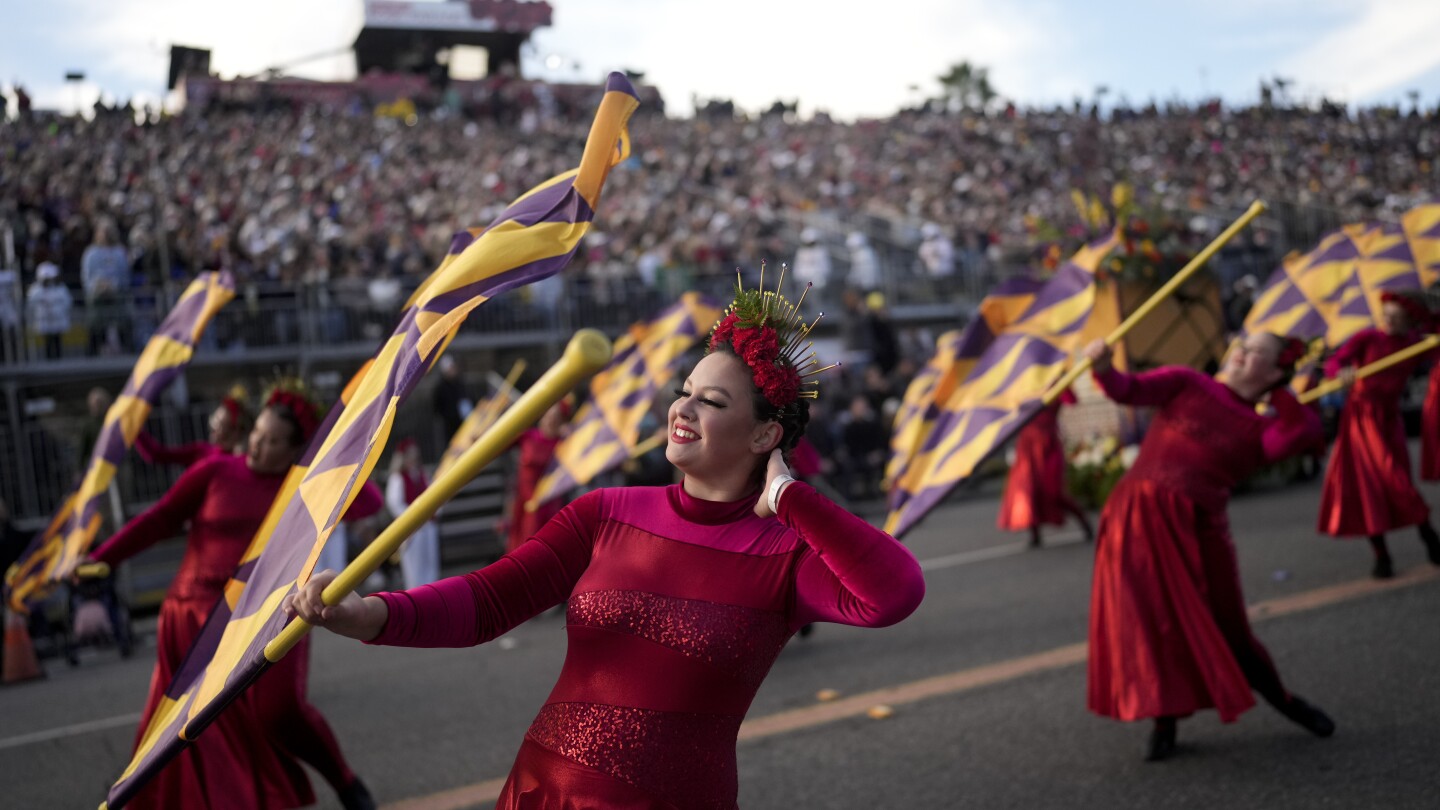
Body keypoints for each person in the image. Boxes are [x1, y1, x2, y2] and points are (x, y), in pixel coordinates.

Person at [287, 280, 925, 808]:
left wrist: (790, 498)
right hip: (544, 789)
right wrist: (365, 613)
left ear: (763, 437)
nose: (684, 407)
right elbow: (487, 602)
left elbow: (894, 594)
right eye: (685, 391)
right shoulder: (605, 512)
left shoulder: (783, 553)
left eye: (712, 401)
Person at [87, 387, 380, 809]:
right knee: (186, 726)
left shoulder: (306, 489)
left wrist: (329, 452)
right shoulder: (215, 470)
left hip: (270, 614)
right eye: (258, 433)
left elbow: (368, 502)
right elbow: (160, 519)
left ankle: (347, 783)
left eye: (274, 440)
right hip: (192, 618)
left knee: (278, 711)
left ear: (298, 447)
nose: (258, 444)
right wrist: (103, 558)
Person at [1082, 332, 1335, 762]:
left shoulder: (1262, 427)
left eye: (1257, 353)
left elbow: (1298, 433)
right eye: (1242, 344)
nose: (1240, 352)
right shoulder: (1187, 381)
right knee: (1151, 623)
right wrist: (1103, 366)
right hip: (1136, 518)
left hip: (1201, 527)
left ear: (1275, 371)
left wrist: (1290, 393)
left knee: (1231, 627)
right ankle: (1166, 721)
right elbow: (1127, 389)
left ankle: (1286, 702)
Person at [1316, 291, 1440, 578]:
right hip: (1360, 422)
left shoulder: (1413, 344)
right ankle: (1382, 555)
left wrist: (1431, 321)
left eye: (1397, 318)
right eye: (1386, 316)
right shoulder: (1368, 338)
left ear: (1410, 321)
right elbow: (1337, 362)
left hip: (1389, 419)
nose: (1389, 322)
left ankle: (1428, 535)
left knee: (1399, 481)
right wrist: (1341, 373)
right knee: (1366, 488)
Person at [998, 390, 1093, 548]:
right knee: (1029, 490)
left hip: (1048, 446)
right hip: (1027, 447)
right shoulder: (1024, 382)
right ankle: (1035, 535)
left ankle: (1084, 523)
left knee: (1053, 490)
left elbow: (1071, 400)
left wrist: (1062, 380)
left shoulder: (1053, 380)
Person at [503, 397, 571, 554]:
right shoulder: (528, 436)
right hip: (524, 503)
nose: (549, 420)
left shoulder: (563, 442)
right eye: (547, 415)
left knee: (543, 550)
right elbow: (498, 445)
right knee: (520, 550)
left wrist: (570, 435)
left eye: (554, 418)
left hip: (549, 504)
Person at [134, 392, 250, 467]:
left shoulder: (243, 463)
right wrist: (133, 427)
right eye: (213, 421)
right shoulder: (202, 451)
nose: (213, 427)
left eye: (220, 425)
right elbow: (157, 454)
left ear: (235, 432)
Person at [386, 438, 440, 589]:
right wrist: (413, 518)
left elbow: (432, 494)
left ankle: (433, 592)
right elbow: (395, 503)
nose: (413, 458)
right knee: (413, 567)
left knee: (430, 562)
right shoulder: (398, 477)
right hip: (412, 528)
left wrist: (432, 513)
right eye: (410, 454)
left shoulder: (422, 474)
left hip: (427, 525)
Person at [25, 262, 72, 360]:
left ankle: (59, 360)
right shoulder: (35, 290)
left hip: (58, 319)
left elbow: (68, 302)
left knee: (57, 341)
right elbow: (31, 304)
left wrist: (59, 311)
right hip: (44, 320)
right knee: (47, 342)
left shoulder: (61, 288)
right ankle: (48, 360)